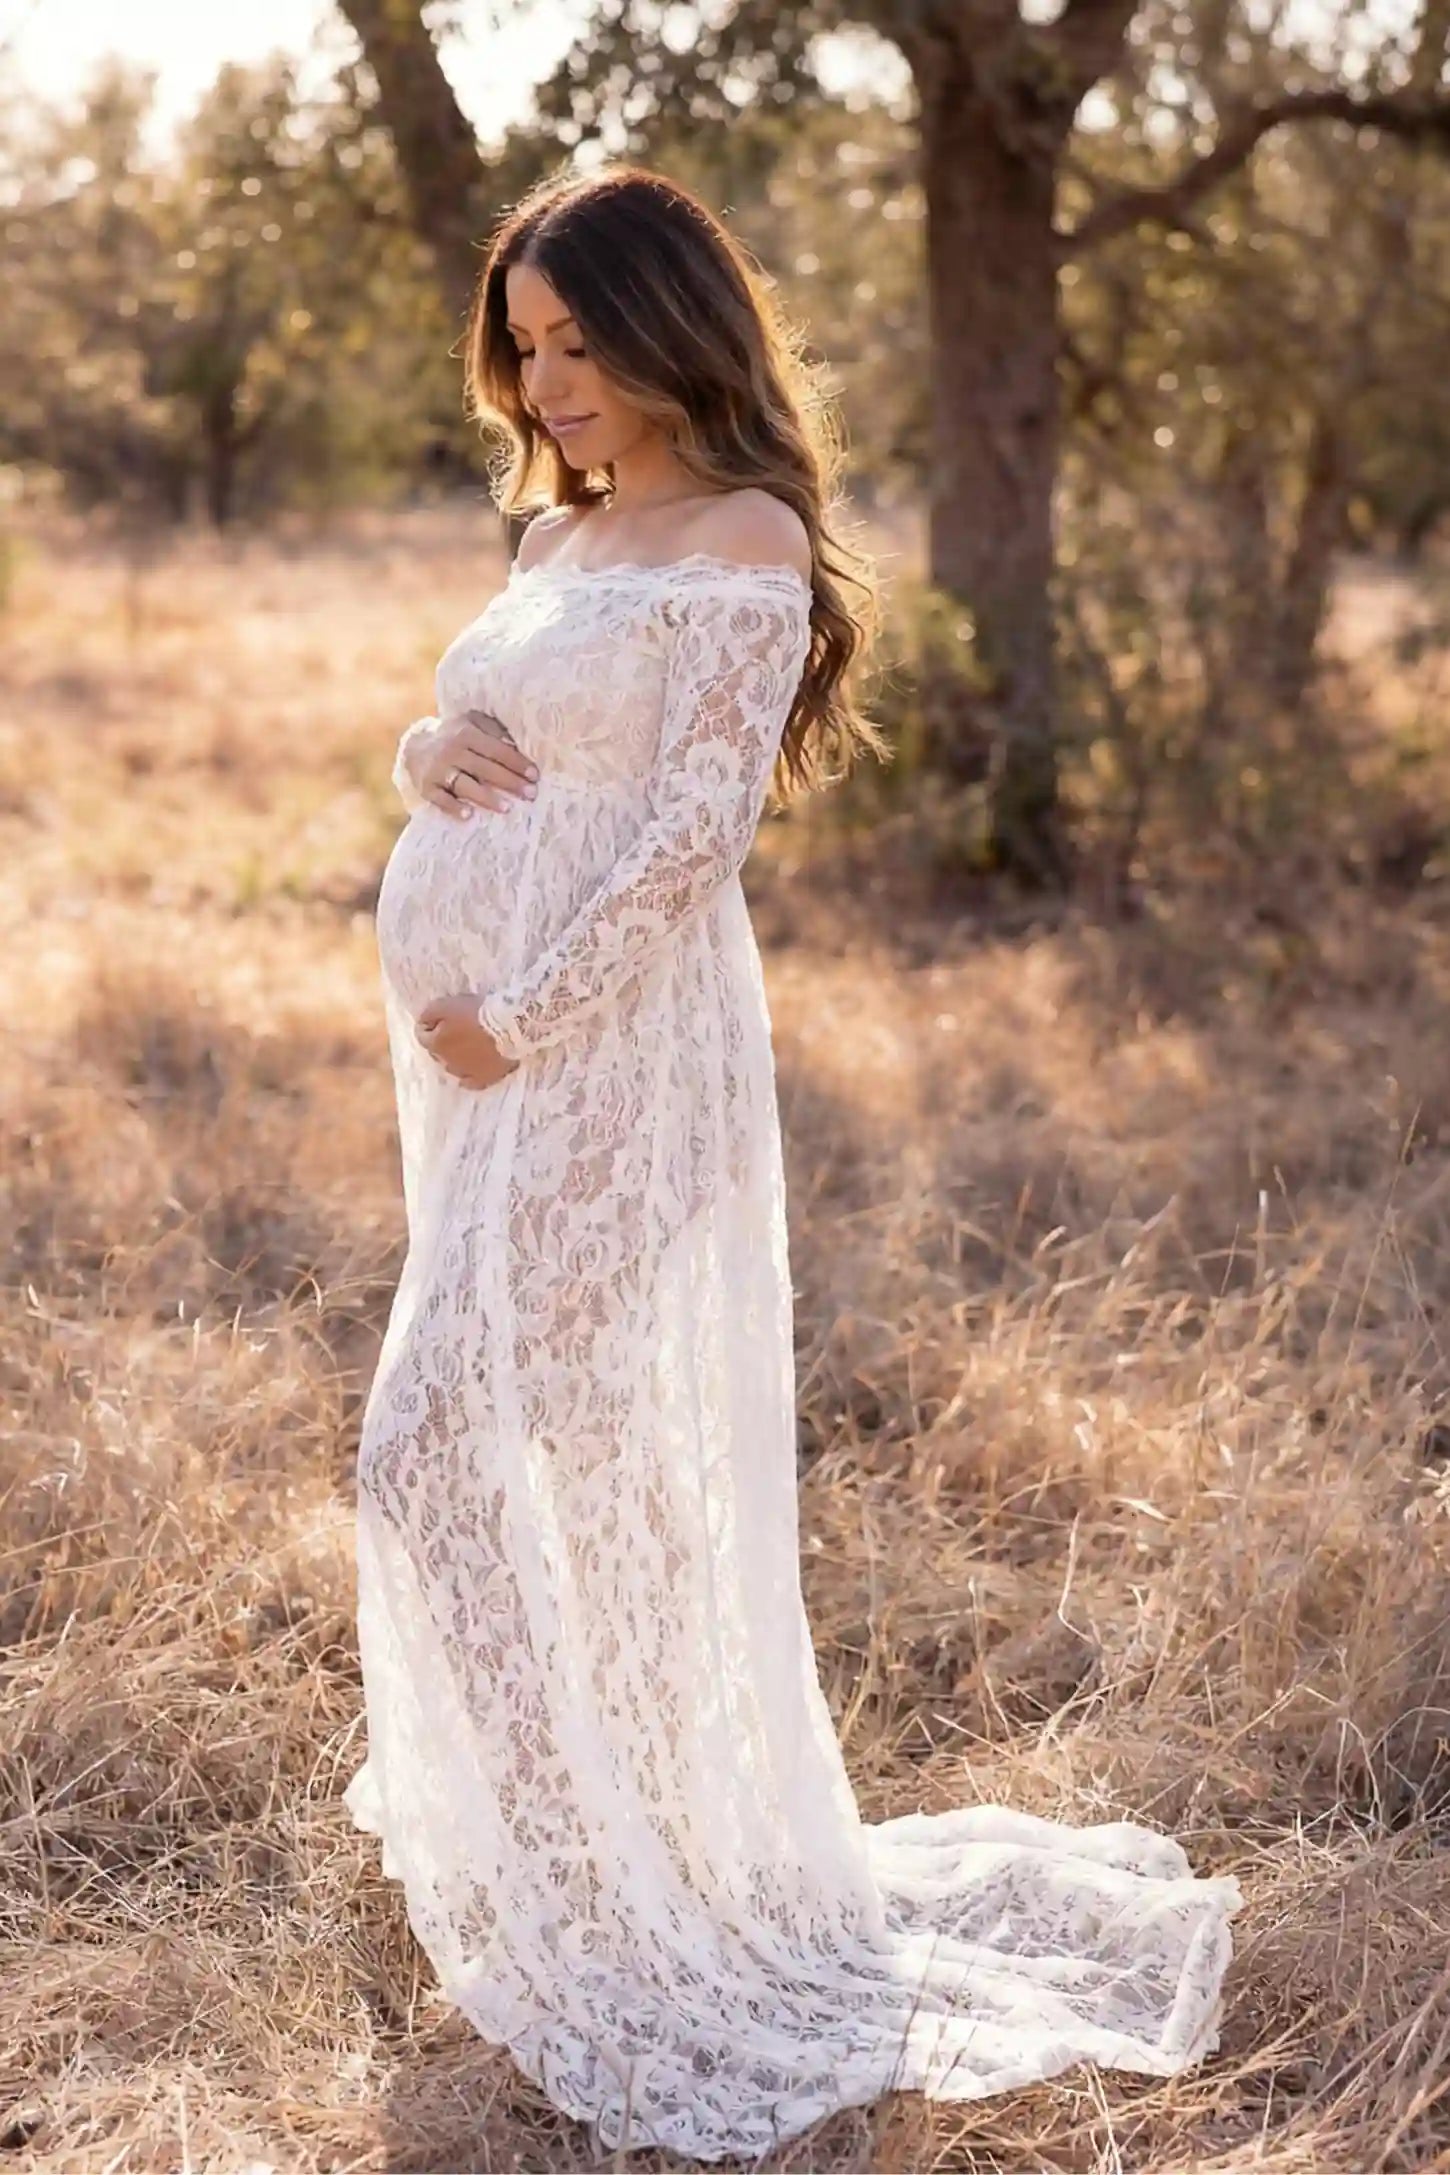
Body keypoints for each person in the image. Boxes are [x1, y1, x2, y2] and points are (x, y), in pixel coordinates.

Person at [342, 160, 1241, 2163]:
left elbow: (692, 833)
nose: (546, 382)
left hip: (605, 1061)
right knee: (542, 1443)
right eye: (525, 347)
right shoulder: (556, 527)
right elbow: (487, 721)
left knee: (433, 1448)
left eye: (580, 341)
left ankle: (587, 1857)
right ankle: (596, 1833)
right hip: (487, 1073)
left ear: (671, 326)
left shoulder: (741, 535)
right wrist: (423, 752)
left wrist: (524, 1019)